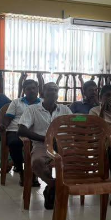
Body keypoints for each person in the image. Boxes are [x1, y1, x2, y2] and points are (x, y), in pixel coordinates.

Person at [18, 82, 72, 210]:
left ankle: (53, 189)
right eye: (49, 90)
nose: (53, 92)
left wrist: (83, 119)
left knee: (78, 161)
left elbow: (75, 123)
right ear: (42, 93)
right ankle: (53, 185)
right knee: (37, 162)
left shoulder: (64, 109)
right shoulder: (32, 109)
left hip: (63, 145)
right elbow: (21, 130)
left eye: (55, 90)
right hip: (42, 145)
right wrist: (46, 139)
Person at [1, 80, 41, 185]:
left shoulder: (42, 103)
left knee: (42, 144)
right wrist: (3, 126)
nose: (32, 90)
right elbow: (8, 117)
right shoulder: (16, 102)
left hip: (36, 131)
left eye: (34, 88)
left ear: (37, 89)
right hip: (16, 130)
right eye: (28, 89)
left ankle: (35, 173)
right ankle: (20, 171)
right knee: (14, 143)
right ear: (24, 90)